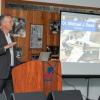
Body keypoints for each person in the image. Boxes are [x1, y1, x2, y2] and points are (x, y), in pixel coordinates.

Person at [0, 15, 17, 100]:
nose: (12, 24)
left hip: (11, 72)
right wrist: (6, 47)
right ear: (3, 23)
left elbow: (12, 57)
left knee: (11, 95)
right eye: (10, 22)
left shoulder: (11, 37)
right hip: (1, 72)